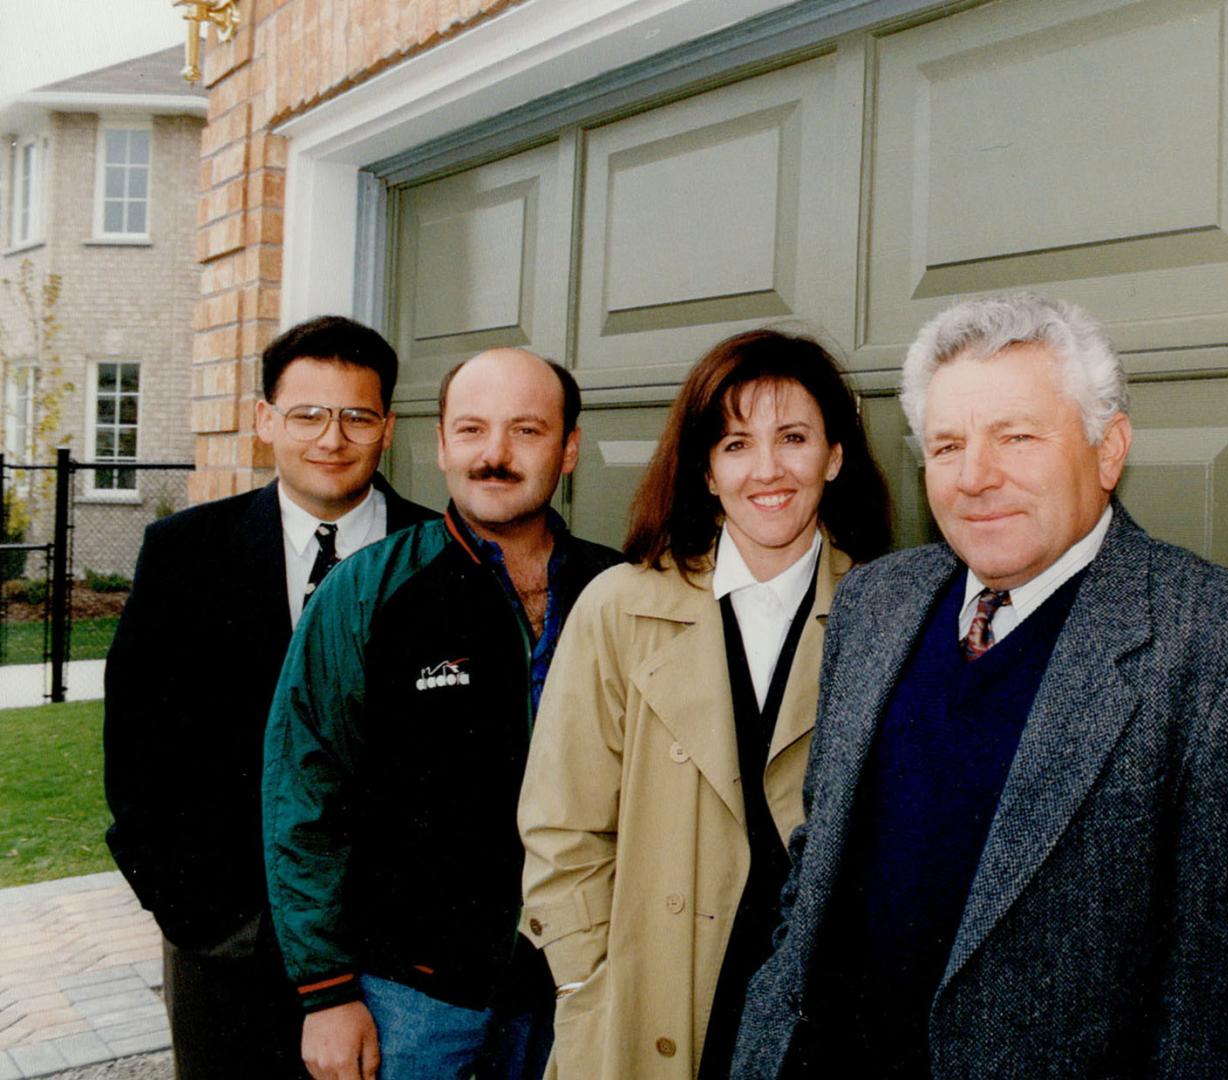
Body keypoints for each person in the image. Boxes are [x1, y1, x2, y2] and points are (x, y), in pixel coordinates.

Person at [731, 292, 1228, 1078]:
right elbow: (819, 860)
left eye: (1016, 437)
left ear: (1109, 448)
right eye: (946, 446)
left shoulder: (1215, 642)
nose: (974, 478)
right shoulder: (874, 601)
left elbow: (1205, 989)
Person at [517, 329, 892, 1079]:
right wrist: (584, 978)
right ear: (706, 471)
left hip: (813, 1019)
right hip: (644, 1006)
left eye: (793, 438)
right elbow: (562, 824)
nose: (768, 470)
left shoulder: (888, 612)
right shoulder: (621, 606)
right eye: (735, 444)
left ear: (835, 456)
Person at [262, 348, 622, 1080]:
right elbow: (304, 790)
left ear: (570, 448)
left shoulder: (618, 590)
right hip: (411, 1001)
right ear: (440, 445)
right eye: (472, 430)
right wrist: (325, 991)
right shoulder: (368, 591)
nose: (495, 455)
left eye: (526, 431)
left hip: (581, 985)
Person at [103, 315, 436, 1079]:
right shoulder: (184, 555)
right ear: (265, 421)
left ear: (387, 427)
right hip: (226, 945)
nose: (332, 438)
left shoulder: (439, 560)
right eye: (308, 414)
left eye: (356, 416)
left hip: (398, 962)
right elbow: (137, 757)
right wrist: (199, 917)